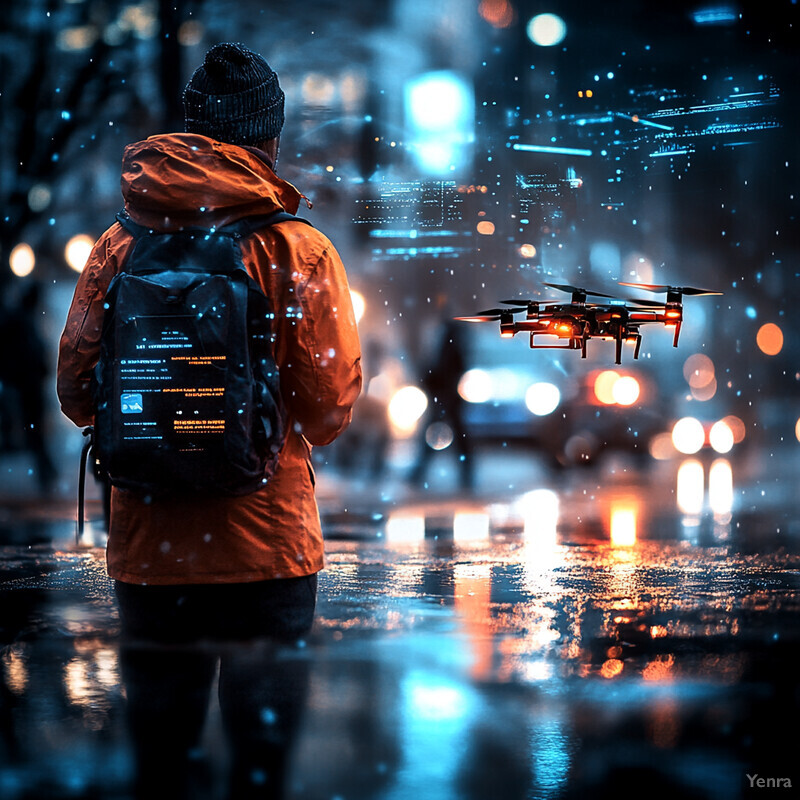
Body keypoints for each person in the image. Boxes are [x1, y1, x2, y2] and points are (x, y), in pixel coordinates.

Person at [57, 42, 362, 797]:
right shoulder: (299, 251)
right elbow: (328, 410)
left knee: (163, 764)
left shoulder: (118, 247)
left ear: (192, 130)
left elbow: (75, 390)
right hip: (269, 549)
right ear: (269, 140)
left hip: (151, 551)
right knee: (260, 771)